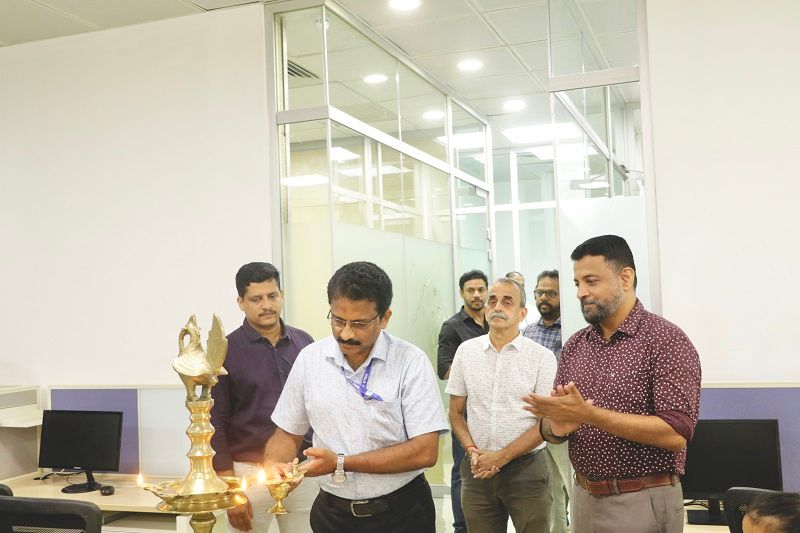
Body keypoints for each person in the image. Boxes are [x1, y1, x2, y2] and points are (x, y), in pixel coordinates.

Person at [524, 235, 701, 533]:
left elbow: (676, 433)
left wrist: (589, 416)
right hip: (582, 497)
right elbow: (554, 428)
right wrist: (555, 427)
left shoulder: (665, 340)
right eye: (577, 284)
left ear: (626, 278)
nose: (581, 293)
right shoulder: (576, 346)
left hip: (642, 498)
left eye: (591, 281)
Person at [263, 261, 449, 533]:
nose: (346, 334)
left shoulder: (410, 362)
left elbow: (425, 450)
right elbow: (286, 433)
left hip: (401, 514)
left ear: (385, 318)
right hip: (332, 516)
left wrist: (340, 462)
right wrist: (276, 465)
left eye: (360, 323)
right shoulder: (310, 360)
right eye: (338, 320)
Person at [210, 262, 318, 533]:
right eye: (256, 299)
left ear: (281, 295)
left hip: (300, 472)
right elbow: (216, 423)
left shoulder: (304, 343)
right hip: (249, 475)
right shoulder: (225, 350)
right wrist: (230, 492)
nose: (266, 305)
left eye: (272, 296)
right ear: (241, 302)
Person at [447, 277, 557, 533]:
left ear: (522, 313)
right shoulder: (466, 351)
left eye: (507, 302)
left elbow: (545, 424)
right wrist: (472, 449)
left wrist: (501, 457)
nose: (498, 306)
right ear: (485, 310)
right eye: (492, 301)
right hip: (476, 467)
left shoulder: (542, 358)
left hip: (526, 469)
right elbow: (455, 412)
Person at [437, 269, 489, 533]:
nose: (477, 295)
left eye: (481, 289)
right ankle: (461, 528)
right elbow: (443, 369)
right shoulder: (452, 326)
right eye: (471, 290)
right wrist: (478, 370)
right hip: (464, 414)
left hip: (494, 413)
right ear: (462, 293)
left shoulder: (495, 320)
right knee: (462, 472)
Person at [522, 269, 571, 533]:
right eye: (540, 292)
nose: (544, 298)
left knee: (573, 487)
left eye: (551, 293)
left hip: (564, 422)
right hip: (536, 423)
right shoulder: (528, 333)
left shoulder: (573, 332)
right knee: (550, 491)